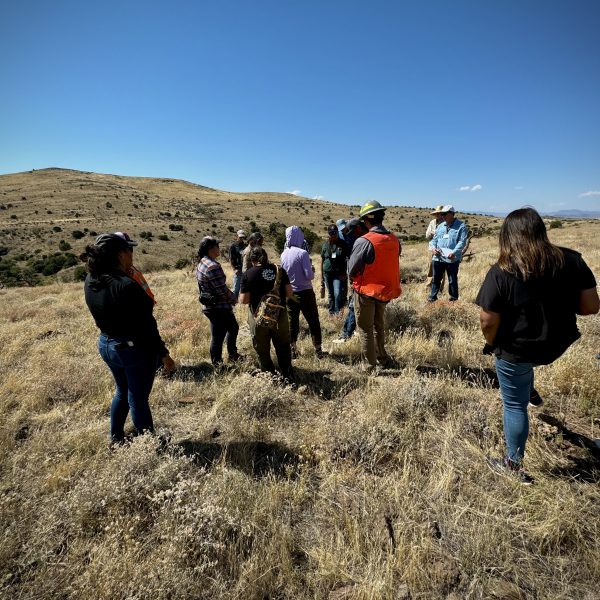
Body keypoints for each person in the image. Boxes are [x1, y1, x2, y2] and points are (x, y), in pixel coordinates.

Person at [476, 208, 599, 484]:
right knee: (521, 374)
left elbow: (487, 320)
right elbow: (592, 307)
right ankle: (529, 388)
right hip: (556, 344)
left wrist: (492, 343)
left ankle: (513, 463)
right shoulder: (571, 261)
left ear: (507, 237)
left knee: (514, 405)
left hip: (517, 350)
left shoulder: (501, 272)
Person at [82, 231, 175, 445]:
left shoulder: (91, 279)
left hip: (107, 344)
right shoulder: (126, 285)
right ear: (119, 254)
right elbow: (148, 327)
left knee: (122, 391)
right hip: (132, 348)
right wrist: (164, 355)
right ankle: (148, 443)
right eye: (129, 250)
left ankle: (116, 438)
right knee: (138, 397)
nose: (132, 255)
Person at [349, 201, 401, 368]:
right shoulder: (394, 239)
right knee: (379, 325)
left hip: (366, 291)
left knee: (365, 328)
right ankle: (382, 358)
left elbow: (352, 269)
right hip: (386, 291)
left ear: (366, 221)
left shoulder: (364, 241)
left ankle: (370, 366)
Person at [239, 247, 294, 379]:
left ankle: (270, 376)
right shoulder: (279, 270)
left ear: (252, 260)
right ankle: (288, 374)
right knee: (283, 346)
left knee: (262, 348)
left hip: (259, 317)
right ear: (266, 257)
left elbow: (244, 300)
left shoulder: (248, 274)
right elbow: (290, 293)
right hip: (280, 315)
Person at [196, 236, 241, 366]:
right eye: (217, 246)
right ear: (210, 249)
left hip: (209, 305)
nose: (219, 248)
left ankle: (226, 358)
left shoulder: (202, 263)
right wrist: (233, 298)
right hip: (219, 307)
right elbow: (222, 290)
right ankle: (220, 363)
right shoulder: (213, 266)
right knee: (221, 334)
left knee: (225, 331)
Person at [280, 225, 324, 358]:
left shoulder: (283, 254)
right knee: (313, 321)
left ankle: (293, 350)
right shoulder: (302, 253)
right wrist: (312, 269)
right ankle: (318, 350)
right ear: (299, 236)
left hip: (290, 293)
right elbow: (309, 276)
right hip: (305, 292)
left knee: (292, 322)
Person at [334, 218, 369, 343]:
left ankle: (347, 333)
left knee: (355, 305)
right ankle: (348, 332)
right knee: (355, 304)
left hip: (362, 278)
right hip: (360, 275)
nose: (346, 232)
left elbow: (355, 262)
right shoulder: (348, 237)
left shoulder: (360, 239)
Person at [428, 205, 468, 302]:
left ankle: (453, 300)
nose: (442, 216)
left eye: (444, 214)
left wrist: (454, 252)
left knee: (452, 280)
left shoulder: (461, 226)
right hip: (438, 258)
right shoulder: (441, 226)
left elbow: (462, 242)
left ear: (451, 214)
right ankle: (432, 298)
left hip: (452, 259)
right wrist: (433, 249)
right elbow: (434, 240)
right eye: (442, 214)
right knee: (436, 279)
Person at [321, 224, 350, 315]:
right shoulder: (325, 245)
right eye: (331, 233)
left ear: (337, 233)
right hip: (327, 273)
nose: (333, 235)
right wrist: (321, 276)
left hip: (338, 273)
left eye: (335, 233)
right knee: (331, 294)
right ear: (328, 234)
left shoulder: (343, 244)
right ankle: (331, 312)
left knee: (337, 293)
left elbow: (349, 258)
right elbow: (322, 260)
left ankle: (337, 312)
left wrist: (346, 273)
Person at [425, 205, 446, 292]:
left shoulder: (447, 223)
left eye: (439, 213)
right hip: (431, 248)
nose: (437, 215)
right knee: (430, 267)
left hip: (442, 249)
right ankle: (429, 287)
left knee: (442, 269)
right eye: (436, 213)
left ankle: (439, 289)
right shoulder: (432, 223)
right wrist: (433, 233)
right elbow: (427, 236)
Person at [229, 229, 247, 299]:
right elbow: (231, 259)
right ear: (237, 236)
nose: (241, 239)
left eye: (243, 237)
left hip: (245, 269)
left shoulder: (245, 245)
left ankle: (241, 304)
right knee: (236, 288)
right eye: (240, 237)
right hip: (238, 269)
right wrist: (234, 269)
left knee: (243, 288)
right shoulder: (233, 246)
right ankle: (234, 302)